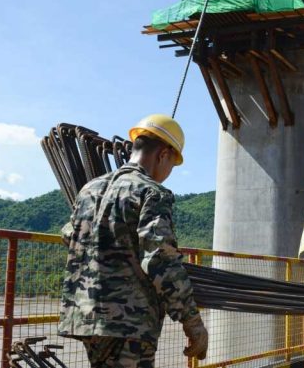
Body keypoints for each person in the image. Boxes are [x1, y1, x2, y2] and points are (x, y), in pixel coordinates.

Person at [58, 115, 208, 367]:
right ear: (163, 154)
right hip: (128, 321)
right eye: (172, 164)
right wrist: (193, 323)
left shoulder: (89, 189)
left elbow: (68, 234)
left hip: (84, 316)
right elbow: (159, 258)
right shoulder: (151, 192)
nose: (168, 173)